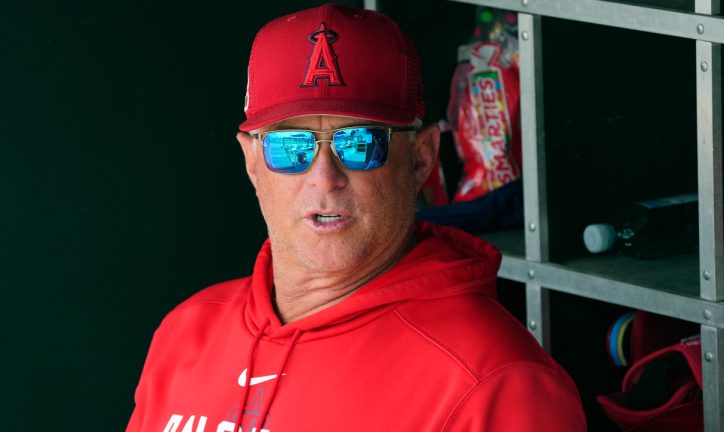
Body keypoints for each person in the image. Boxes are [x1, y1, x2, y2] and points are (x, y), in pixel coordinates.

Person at [127, 4, 587, 431]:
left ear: (421, 159)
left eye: (361, 144)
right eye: (290, 147)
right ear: (251, 161)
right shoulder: (185, 335)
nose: (325, 178)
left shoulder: (495, 383)